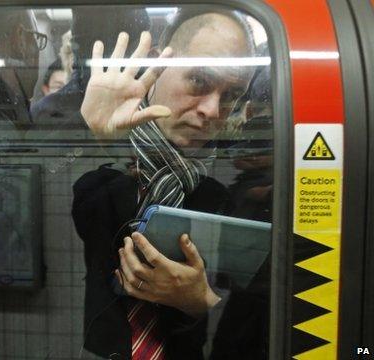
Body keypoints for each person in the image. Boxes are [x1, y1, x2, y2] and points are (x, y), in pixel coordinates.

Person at [72, 11, 260, 359]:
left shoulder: (232, 176)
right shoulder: (106, 153)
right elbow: (75, 225)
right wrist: (99, 141)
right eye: (200, 81)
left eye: (232, 94)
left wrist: (199, 304)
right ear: (158, 64)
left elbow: (253, 305)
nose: (213, 110)